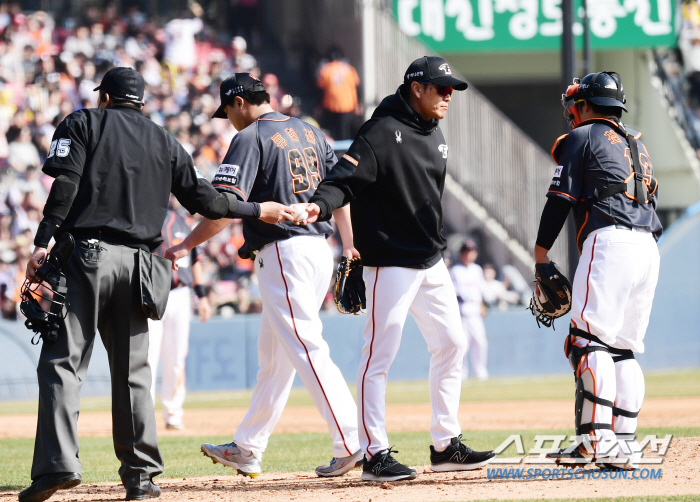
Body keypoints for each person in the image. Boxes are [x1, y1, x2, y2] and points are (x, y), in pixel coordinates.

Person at [19, 67, 294, 502]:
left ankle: (58, 467)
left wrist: (41, 242)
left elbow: (66, 183)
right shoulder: (164, 140)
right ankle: (142, 477)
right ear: (142, 103)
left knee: (63, 364)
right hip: (143, 266)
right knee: (133, 376)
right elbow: (206, 199)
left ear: (105, 98)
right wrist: (258, 209)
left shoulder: (83, 121)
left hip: (87, 256)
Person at [302, 56, 496, 482]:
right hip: (390, 263)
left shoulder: (435, 134)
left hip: (430, 260)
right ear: (416, 89)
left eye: (452, 89)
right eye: (441, 88)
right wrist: (321, 204)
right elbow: (342, 179)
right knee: (379, 357)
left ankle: (446, 444)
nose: (448, 95)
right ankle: (374, 454)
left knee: (452, 343)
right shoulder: (381, 132)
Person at [165, 73, 362, 478]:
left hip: (284, 251)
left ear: (239, 102)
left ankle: (351, 442)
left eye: (228, 111)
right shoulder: (309, 131)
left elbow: (223, 207)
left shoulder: (250, 136)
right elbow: (339, 190)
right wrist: (348, 243)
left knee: (306, 347)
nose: (228, 120)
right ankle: (248, 446)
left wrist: (186, 246)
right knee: (274, 360)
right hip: (317, 249)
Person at [535, 72, 662, 469]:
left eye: (577, 104)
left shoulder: (583, 136)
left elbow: (560, 199)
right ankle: (624, 444)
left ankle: (595, 441)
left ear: (586, 105)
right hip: (647, 246)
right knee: (622, 349)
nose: (573, 112)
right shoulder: (636, 144)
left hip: (610, 241)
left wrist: (541, 255)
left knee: (586, 342)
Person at [147, 207, 212, 431]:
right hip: (151, 293)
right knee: (147, 356)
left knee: (176, 358)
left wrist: (202, 296)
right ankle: (144, 415)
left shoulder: (185, 223)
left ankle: (173, 412)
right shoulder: (145, 215)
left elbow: (195, 260)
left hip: (180, 294)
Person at [450, 240, 488, 381]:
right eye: (466, 252)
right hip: (462, 310)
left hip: (475, 309)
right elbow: (454, 292)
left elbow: (482, 290)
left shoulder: (477, 269)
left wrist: (482, 304)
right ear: (461, 254)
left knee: (480, 342)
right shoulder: (455, 270)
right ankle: (462, 373)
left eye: (472, 252)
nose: (469, 254)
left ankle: (480, 372)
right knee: (462, 344)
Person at [316, 46, 360, 140]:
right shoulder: (349, 69)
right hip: (348, 106)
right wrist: (358, 104)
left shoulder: (325, 70)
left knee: (331, 131)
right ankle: (345, 151)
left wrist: (318, 106)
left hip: (330, 106)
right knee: (344, 131)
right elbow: (356, 87)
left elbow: (320, 90)